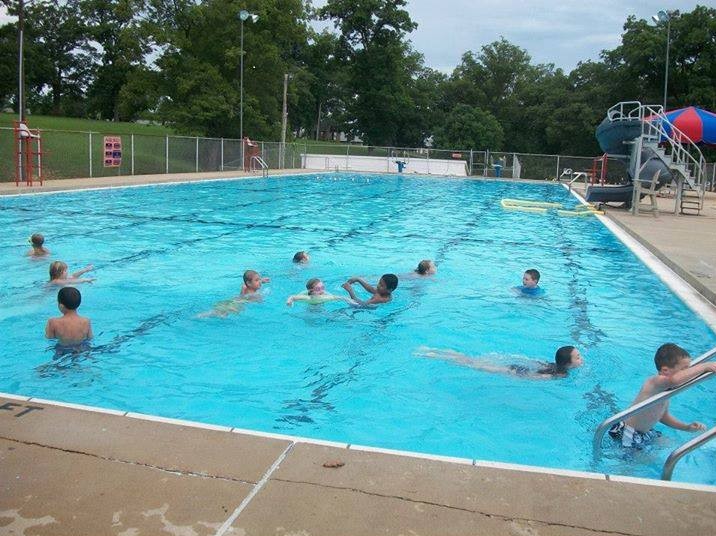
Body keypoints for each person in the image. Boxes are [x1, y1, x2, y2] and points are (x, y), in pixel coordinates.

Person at [608, 343, 716, 448]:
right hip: (628, 432)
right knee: (639, 462)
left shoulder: (664, 389)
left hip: (645, 432)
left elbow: (662, 416)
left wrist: (686, 427)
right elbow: (675, 380)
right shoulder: (656, 381)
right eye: (684, 369)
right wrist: (705, 366)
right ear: (665, 370)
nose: (688, 372)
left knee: (670, 444)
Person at [414, 345, 584, 379]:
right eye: (578, 357)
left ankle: (445, 351)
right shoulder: (559, 375)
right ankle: (434, 354)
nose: (581, 358)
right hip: (513, 371)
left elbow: (534, 363)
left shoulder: (552, 365)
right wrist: (513, 375)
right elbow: (531, 377)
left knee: (472, 361)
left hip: (516, 367)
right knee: (472, 365)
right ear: (568, 363)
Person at [286, 278, 355, 306]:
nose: (322, 290)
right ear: (311, 290)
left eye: (322, 287)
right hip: (311, 308)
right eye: (318, 289)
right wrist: (289, 301)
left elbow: (338, 297)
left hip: (321, 304)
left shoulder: (325, 295)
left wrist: (349, 300)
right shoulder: (308, 298)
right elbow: (292, 296)